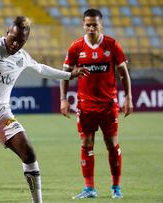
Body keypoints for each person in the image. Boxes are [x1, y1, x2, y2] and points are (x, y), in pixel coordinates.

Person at [0, 16, 88, 203]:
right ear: (7, 33)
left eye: (21, 41)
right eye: (13, 38)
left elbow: (41, 69)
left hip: (2, 114)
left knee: (28, 152)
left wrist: (69, 75)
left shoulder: (22, 57)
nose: (16, 44)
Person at [59, 8, 133, 199]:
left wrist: (128, 98)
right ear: (83, 25)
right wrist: (63, 98)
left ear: (101, 25)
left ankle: (116, 187)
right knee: (86, 144)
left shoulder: (112, 45)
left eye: (95, 25)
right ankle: (89, 188)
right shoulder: (76, 47)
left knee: (111, 144)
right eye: (88, 24)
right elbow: (65, 75)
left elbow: (124, 73)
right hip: (85, 106)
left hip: (108, 105)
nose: (91, 28)